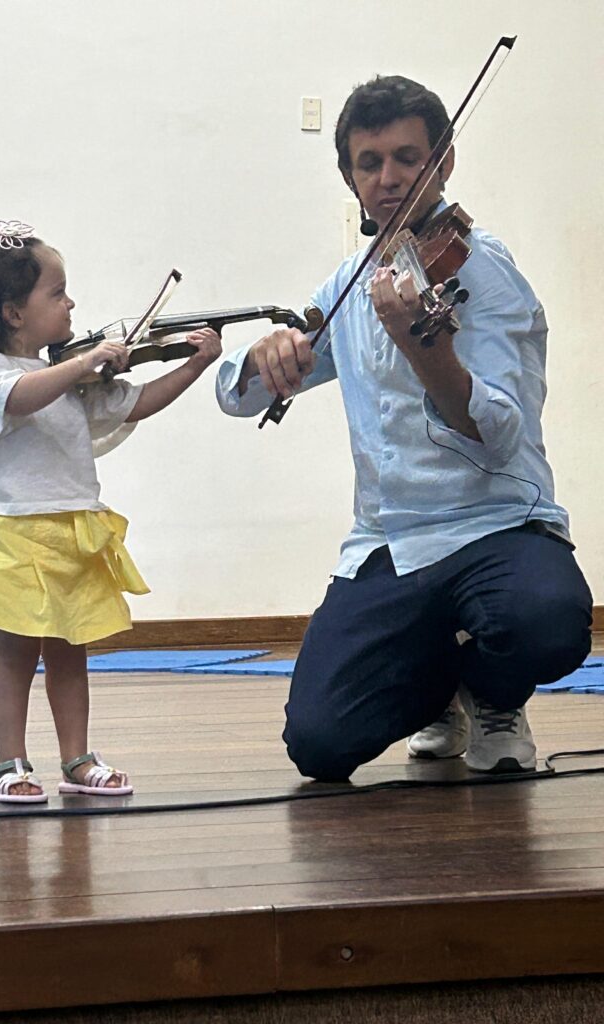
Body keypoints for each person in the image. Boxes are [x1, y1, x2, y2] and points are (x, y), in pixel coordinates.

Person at [215, 77, 592, 781]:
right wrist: (264, 357)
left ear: (443, 163)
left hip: (497, 525)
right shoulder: (350, 285)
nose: (388, 179)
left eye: (407, 158)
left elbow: (499, 436)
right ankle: (441, 687)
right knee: (319, 744)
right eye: (370, 163)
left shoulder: (485, 272)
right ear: (351, 179)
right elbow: (237, 397)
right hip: (390, 542)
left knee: (546, 622)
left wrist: (425, 347)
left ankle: (495, 692)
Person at [0, 220, 221, 802]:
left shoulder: (69, 377)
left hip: (74, 529)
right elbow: (21, 397)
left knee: (71, 652)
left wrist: (193, 367)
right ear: (13, 313)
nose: (71, 303)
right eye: (58, 292)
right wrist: (84, 363)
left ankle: (77, 758)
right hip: (14, 533)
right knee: (15, 654)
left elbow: (135, 403)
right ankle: (10, 763)